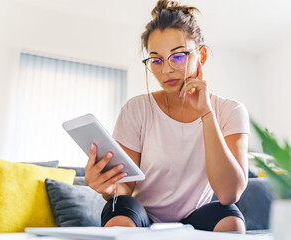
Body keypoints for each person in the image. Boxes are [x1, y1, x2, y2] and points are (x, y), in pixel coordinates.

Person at [84, 0, 250, 233]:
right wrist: (108, 188)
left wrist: (206, 112)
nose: (166, 70)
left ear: (201, 56)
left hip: (196, 217)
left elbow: (228, 193)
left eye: (178, 56)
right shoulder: (136, 110)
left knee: (230, 218)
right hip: (141, 216)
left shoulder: (230, 111)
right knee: (119, 209)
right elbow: (124, 188)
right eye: (156, 60)